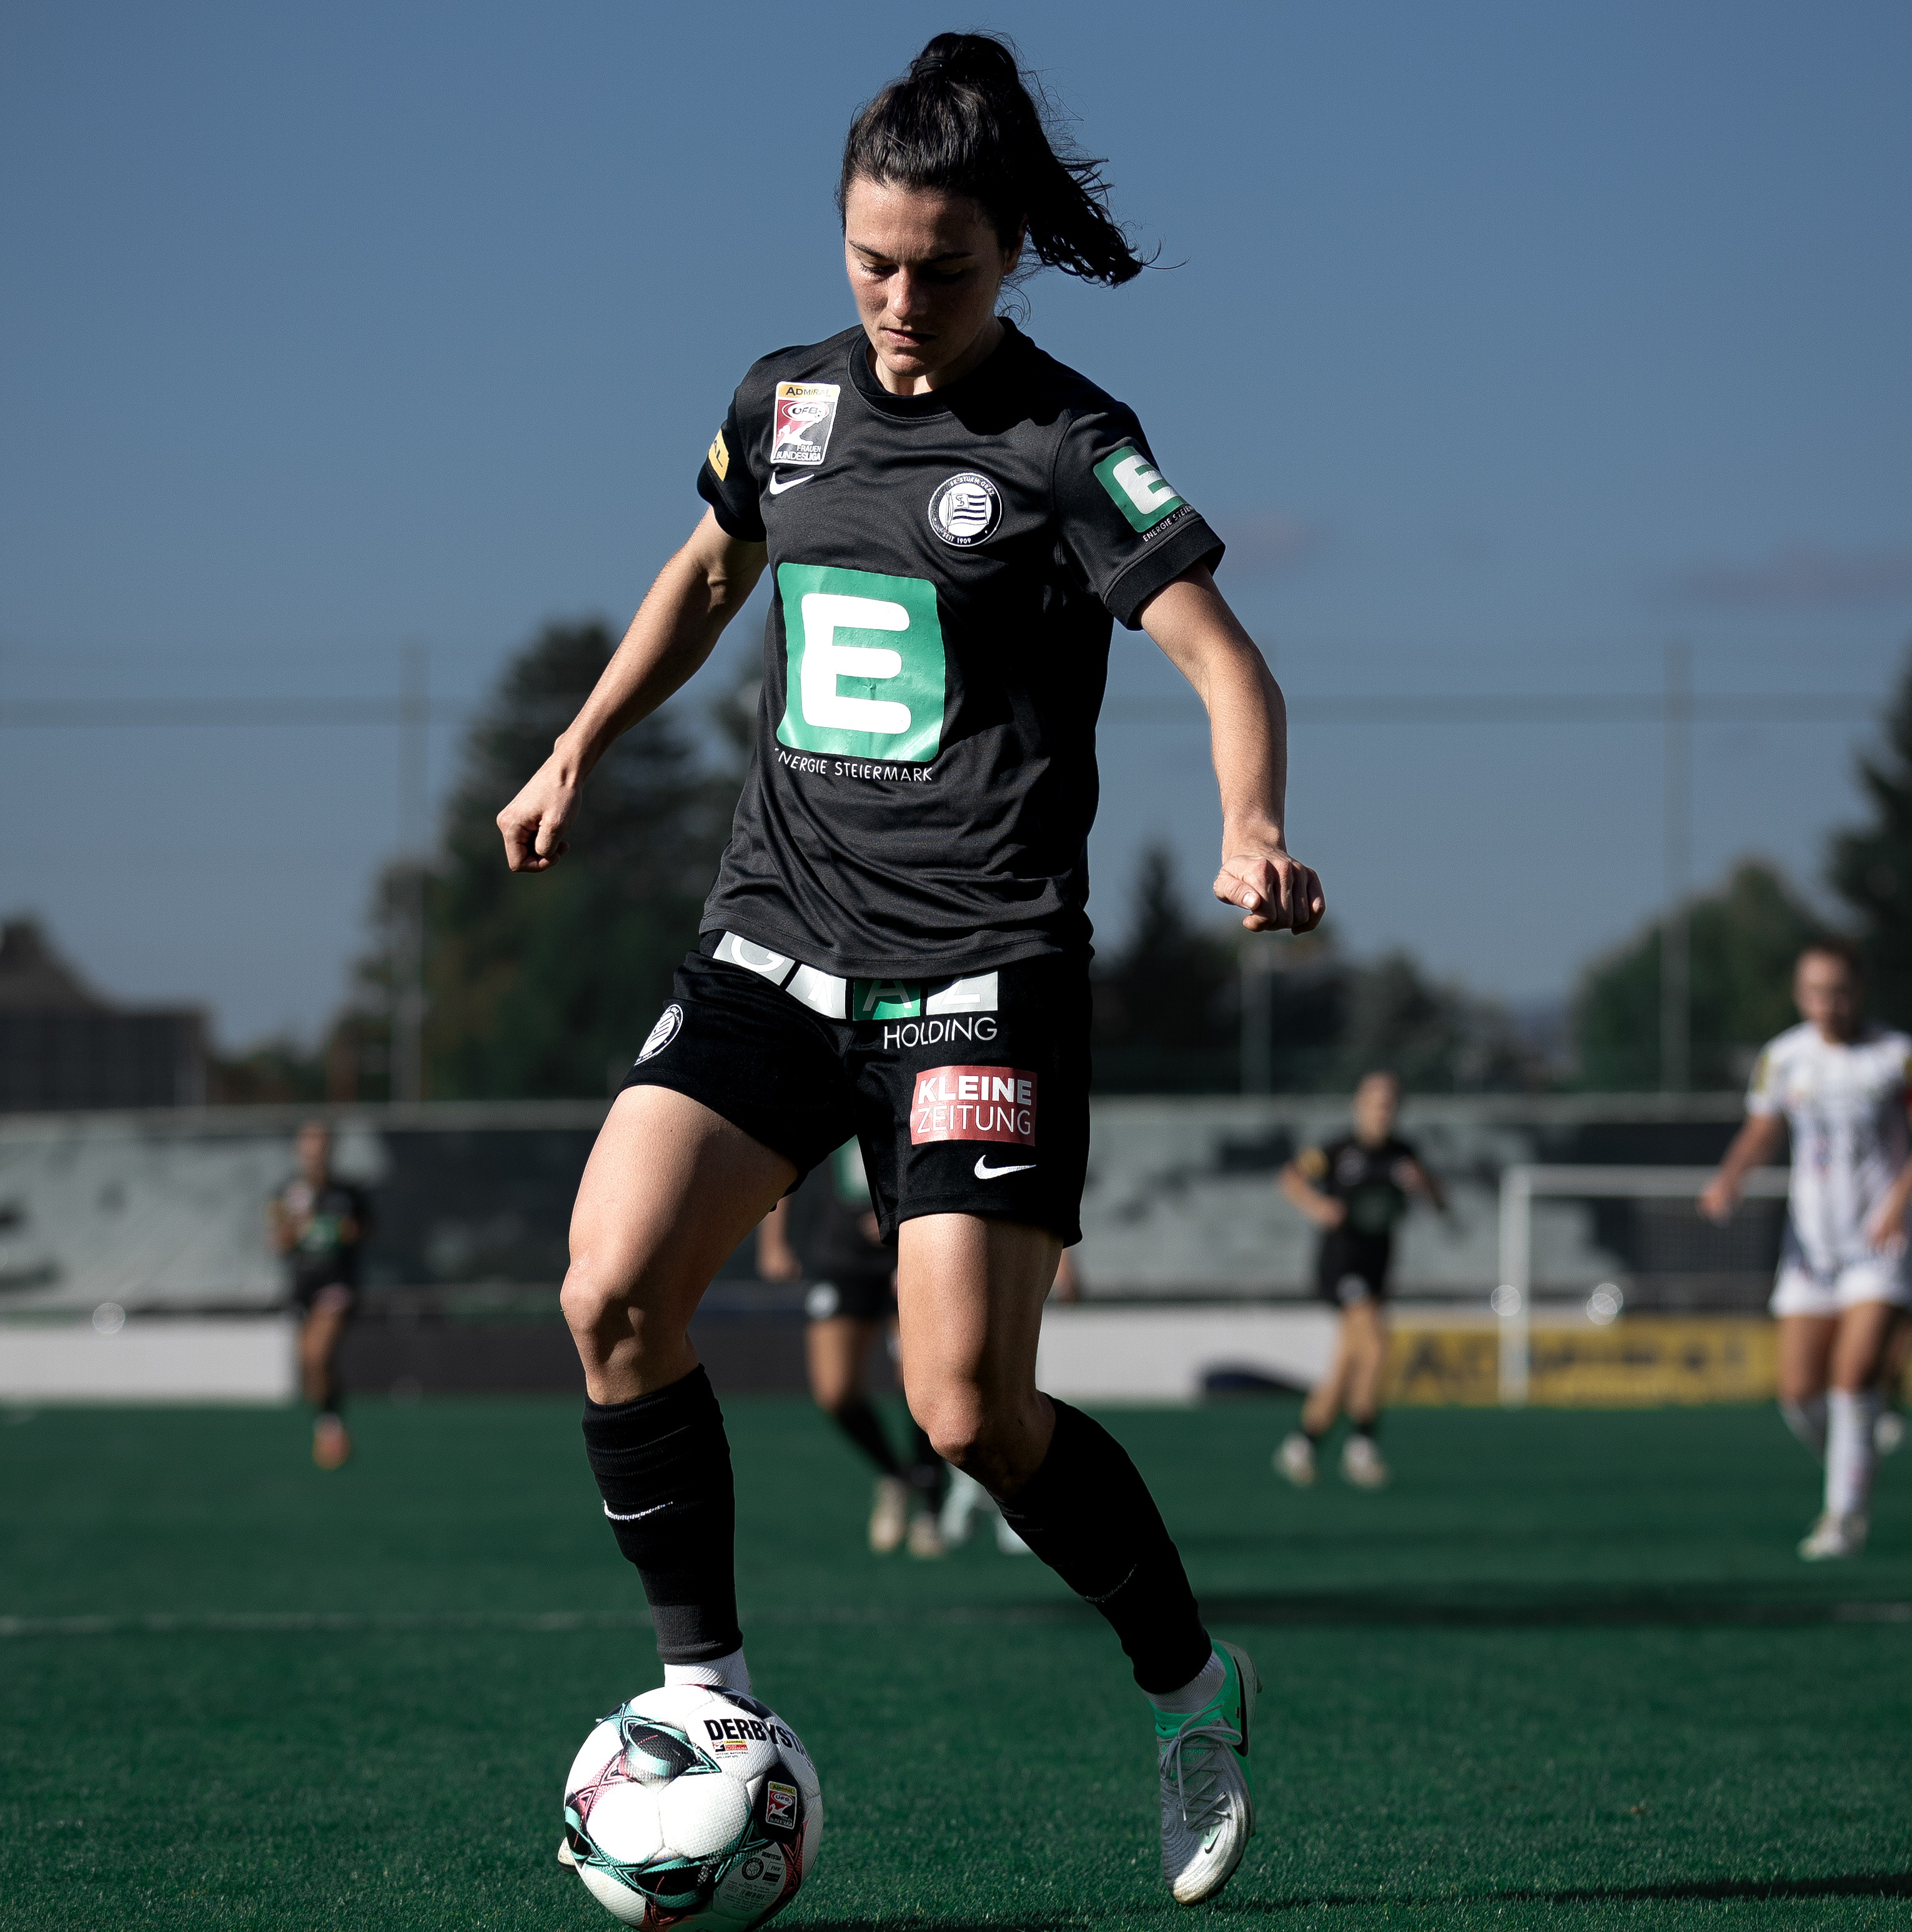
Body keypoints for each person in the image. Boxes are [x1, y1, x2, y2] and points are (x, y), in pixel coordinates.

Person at [502, 33, 1322, 1907]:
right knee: (610, 1285)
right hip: (773, 937)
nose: (892, 301)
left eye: (936, 270)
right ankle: (705, 1698)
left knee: (967, 1408)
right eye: (868, 259)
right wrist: (576, 745)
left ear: (1006, 252)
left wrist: (1250, 827)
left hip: (976, 977)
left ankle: (1189, 1681)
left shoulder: (1065, 439)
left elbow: (1223, 659)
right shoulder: (783, 402)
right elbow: (712, 568)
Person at [1700, 939, 1912, 1559]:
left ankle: (1843, 1517)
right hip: (1810, 1249)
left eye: (1840, 991)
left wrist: (1897, 1205)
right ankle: (1857, 1450)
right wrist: (1730, 1176)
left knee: (1852, 1378)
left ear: (1860, 990)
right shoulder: (1784, 1057)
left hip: (1881, 1244)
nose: (1829, 1004)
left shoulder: (1897, 1057)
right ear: (1800, 995)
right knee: (1799, 1394)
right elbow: (1763, 1128)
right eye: (1817, 992)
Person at [756, 1137, 948, 1557]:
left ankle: (931, 1506)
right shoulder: (831, 1082)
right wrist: (773, 1242)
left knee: (918, 1384)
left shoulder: (913, 1078)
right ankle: (896, 1475)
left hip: (908, 1248)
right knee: (834, 1391)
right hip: (842, 1257)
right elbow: (787, 1156)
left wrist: (900, 1211)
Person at [1272, 1071, 1442, 1490]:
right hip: (1341, 1265)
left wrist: (1424, 1187)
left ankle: (1301, 1445)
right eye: (1375, 1101)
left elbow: (1439, 1201)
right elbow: (1290, 1178)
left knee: (1348, 1362)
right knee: (1377, 1346)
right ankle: (1362, 1445)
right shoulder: (1336, 1150)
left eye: (1389, 1102)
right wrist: (1318, 1207)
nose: (1382, 1110)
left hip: (1377, 1267)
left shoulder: (1404, 1154)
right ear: (1359, 1105)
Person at [268, 1119, 370, 1470]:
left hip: (336, 1284)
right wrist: (298, 1218)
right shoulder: (285, 1192)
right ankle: (330, 1423)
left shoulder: (347, 1194)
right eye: (309, 1143)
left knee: (316, 1355)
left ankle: (331, 1431)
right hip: (301, 1287)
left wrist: (331, 1221)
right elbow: (278, 1242)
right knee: (310, 1367)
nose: (315, 1151)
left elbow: (361, 1233)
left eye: (321, 1144)